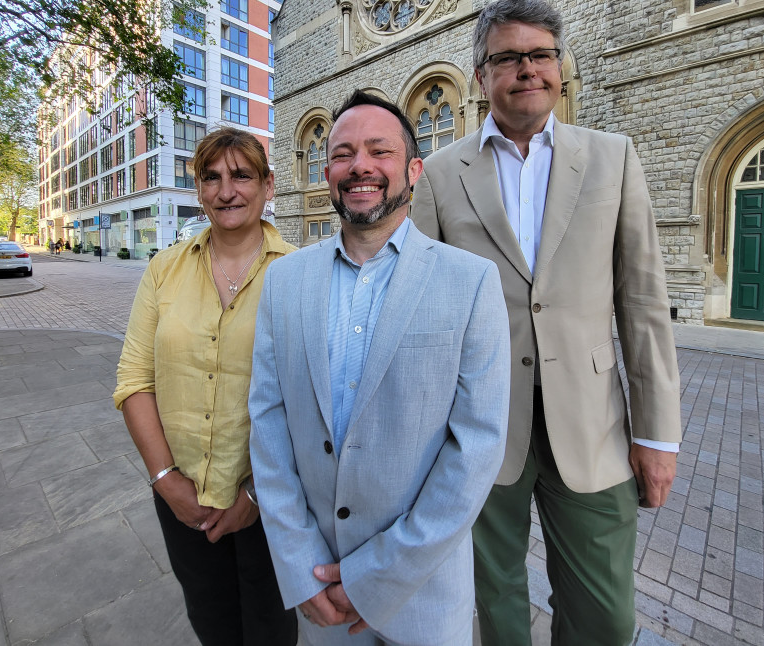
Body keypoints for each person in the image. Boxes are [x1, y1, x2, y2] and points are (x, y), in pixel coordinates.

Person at [410, 0, 682, 646]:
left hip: (593, 427)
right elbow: (420, 312)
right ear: (482, 76)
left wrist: (659, 434)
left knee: (606, 617)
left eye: (540, 55)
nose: (527, 69)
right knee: (494, 600)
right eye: (508, 58)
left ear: (560, 67)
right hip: (478, 428)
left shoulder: (612, 156)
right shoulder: (443, 174)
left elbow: (642, 302)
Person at [249, 90, 511, 646]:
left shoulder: (471, 281)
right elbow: (269, 426)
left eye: (380, 151)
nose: (360, 166)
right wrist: (298, 565)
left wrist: (380, 576)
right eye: (343, 153)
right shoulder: (284, 281)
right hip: (319, 588)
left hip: (423, 593)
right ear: (327, 173)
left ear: (413, 170)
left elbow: (477, 447)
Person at [113, 127, 297, 646]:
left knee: (271, 626)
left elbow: (313, 400)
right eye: (211, 178)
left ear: (268, 185)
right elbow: (134, 380)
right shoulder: (163, 270)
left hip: (272, 498)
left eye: (242, 175)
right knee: (210, 619)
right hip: (183, 494)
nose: (226, 190)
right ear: (197, 189)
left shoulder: (300, 273)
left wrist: (257, 493)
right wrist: (165, 478)